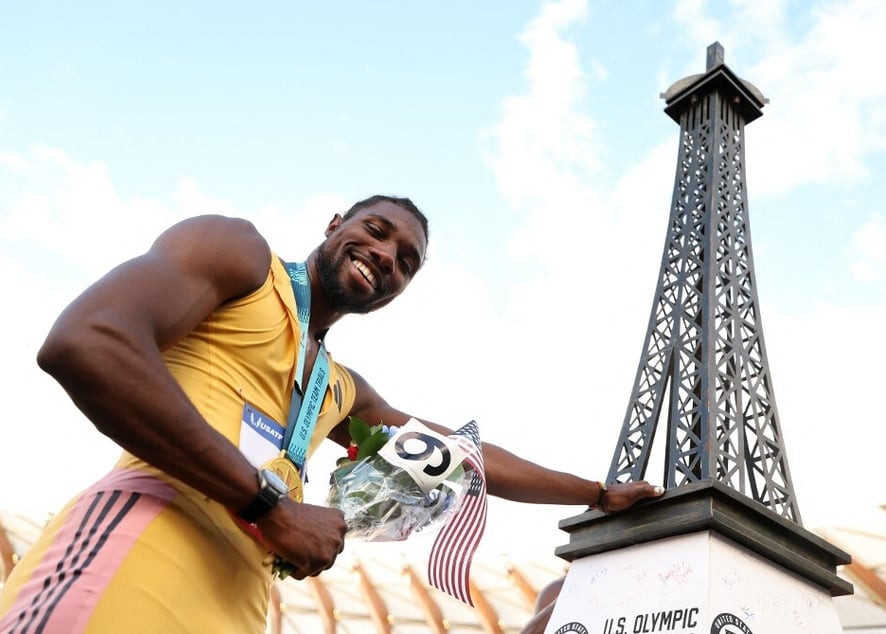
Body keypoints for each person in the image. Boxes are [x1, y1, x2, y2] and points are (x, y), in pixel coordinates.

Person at [0, 194, 664, 633]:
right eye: (377, 232)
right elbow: (88, 343)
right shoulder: (240, 257)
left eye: (405, 263)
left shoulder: (342, 389)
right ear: (334, 224)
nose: (385, 256)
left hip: (240, 600)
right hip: (140, 545)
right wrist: (269, 507)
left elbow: (466, 458)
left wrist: (597, 494)